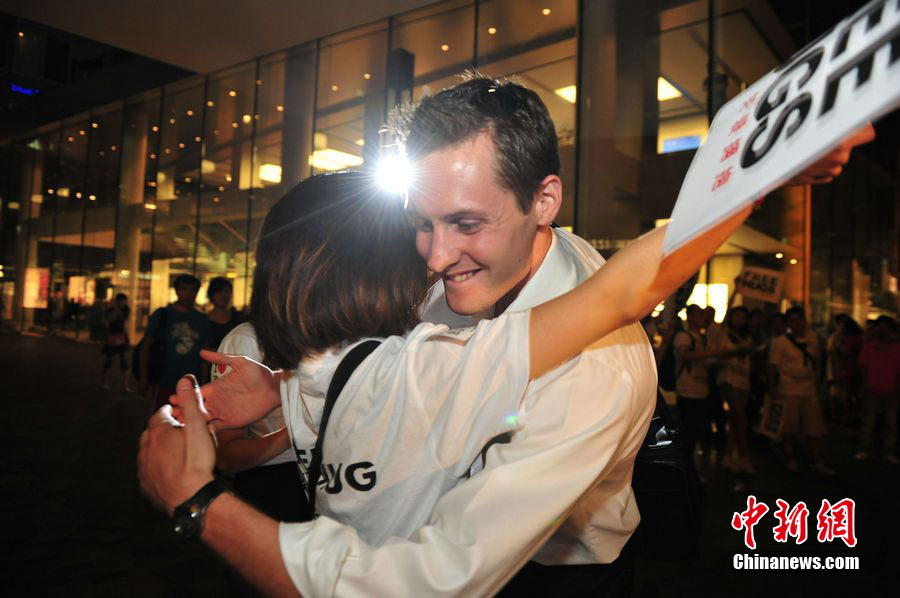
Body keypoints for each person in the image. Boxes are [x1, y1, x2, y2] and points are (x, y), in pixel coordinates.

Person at [140, 83, 873, 596]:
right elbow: (397, 392)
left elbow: (424, 581)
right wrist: (289, 394)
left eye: (465, 223)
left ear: (543, 201)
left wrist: (197, 504)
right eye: (421, 224)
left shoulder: (593, 370)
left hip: (547, 570)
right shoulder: (470, 272)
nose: (434, 257)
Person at [213, 322, 311, 598]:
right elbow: (227, 457)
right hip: (272, 485)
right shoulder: (247, 340)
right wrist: (294, 431)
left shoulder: (338, 327)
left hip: (329, 485)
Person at [768, 306, 834, 474]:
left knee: (814, 426)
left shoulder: (814, 339)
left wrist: (819, 384)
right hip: (788, 388)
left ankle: (817, 460)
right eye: (792, 321)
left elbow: (818, 362)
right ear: (788, 324)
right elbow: (773, 366)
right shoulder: (780, 342)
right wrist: (773, 387)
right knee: (789, 426)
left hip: (809, 388)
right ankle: (791, 457)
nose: (796, 324)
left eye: (799, 320)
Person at [140, 273, 213, 411]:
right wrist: (144, 378)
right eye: (183, 289)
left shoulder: (202, 319)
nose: (188, 294)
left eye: (192, 290)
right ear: (176, 290)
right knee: (162, 417)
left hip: (192, 383)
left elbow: (205, 355)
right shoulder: (162, 315)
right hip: (163, 380)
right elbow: (146, 347)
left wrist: (203, 386)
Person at [855, 316, 900, 463]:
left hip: (892, 389)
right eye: (880, 326)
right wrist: (865, 385)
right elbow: (863, 367)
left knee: (890, 423)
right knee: (868, 421)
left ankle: (888, 451)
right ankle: (865, 448)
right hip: (872, 388)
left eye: (886, 326)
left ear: (891, 329)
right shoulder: (869, 347)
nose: (883, 329)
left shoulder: (897, 348)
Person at [716, 306, 755, 474]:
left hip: (743, 380)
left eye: (743, 317)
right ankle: (744, 457)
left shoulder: (747, 336)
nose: (739, 320)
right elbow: (719, 354)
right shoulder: (723, 333)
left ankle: (728, 457)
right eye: (736, 316)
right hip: (728, 378)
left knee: (735, 420)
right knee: (740, 418)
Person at [100, 293, 131, 391]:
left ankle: (125, 385)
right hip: (112, 335)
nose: (122, 303)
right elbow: (110, 320)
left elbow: (124, 319)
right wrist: (115, 310)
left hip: (122, 335)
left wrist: (117, 311)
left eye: (124, 301)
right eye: (120, 301)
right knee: (109, 360)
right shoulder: (110, 309)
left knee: (124, 360)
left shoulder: (126, 309)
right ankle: (104, 382)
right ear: (116, 301)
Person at [206, 277, 246, 350]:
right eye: (219, 292)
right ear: (211, 295)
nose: (223, 295)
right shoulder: (203, 320)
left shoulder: (238, 318)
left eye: (226, 292)